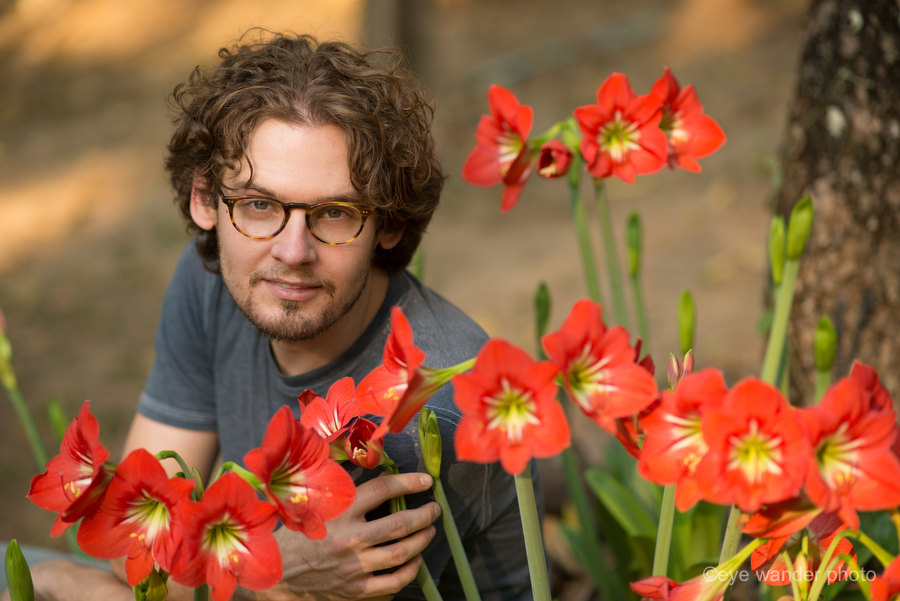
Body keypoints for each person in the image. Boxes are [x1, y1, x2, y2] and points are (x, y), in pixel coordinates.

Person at [2, 31, 532, 601]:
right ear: (206, 201)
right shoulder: (210, 282)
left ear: (390, 225)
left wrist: (264, 569)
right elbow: (144, 555)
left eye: (334, 213)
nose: (292, 252)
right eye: (259, 205)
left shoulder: (421, 413)